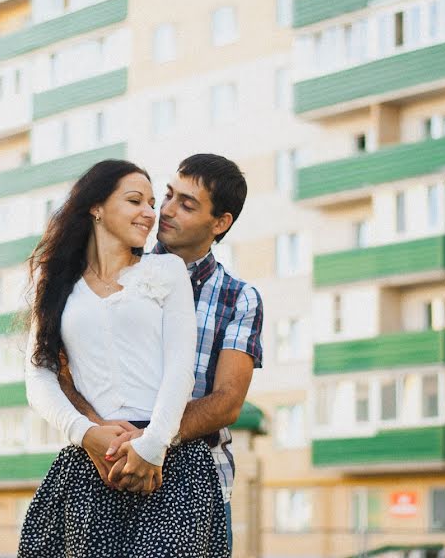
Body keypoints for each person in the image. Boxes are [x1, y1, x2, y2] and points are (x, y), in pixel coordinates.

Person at [19, 160, 229, 557]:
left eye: (153, 202)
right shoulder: (56, 281)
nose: (151, 213)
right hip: (91, 459)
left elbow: (179, 369)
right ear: (96, 207)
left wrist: (153, 446)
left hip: (171, 461)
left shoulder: (167, 270)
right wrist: (85, 433)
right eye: (136, 201)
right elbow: (39, 377)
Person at [59, 153, 264, 551]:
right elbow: (64, 371)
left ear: (220, 222)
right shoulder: (106, 276)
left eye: (186, 205)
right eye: (166, 196)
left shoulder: (239, 299)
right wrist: (103, 436)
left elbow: (226, 402)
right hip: (105, 469)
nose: (165, 211)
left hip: (196, 482)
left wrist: (152, 440)